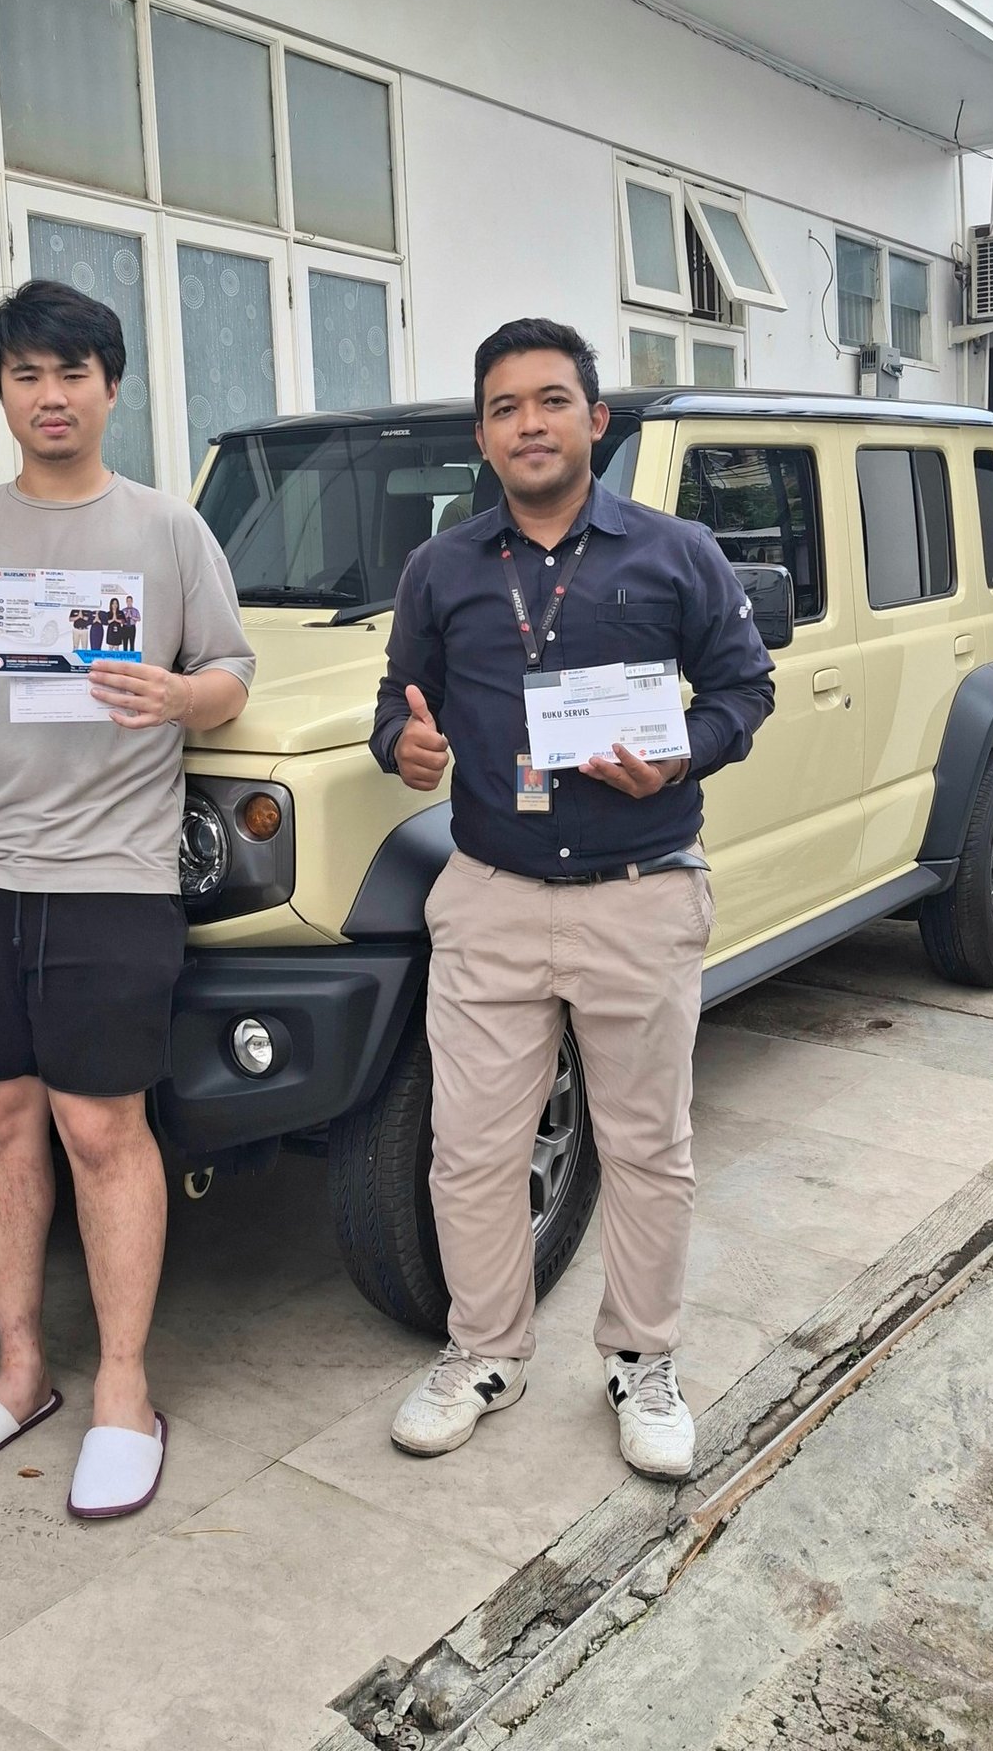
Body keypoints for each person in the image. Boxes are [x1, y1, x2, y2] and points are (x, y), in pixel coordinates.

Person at [0, 279, 253, 1519]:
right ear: (1, 392)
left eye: (72, 372)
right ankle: (20, 1371)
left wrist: (179, 697)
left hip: (110, 875)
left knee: (102, 1129)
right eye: (26, 375)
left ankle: (124, 1389)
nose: (50, 395)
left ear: (111, 386)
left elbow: (231, 672)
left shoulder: (168, 532)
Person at [372, 318, 774, 1477]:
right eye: (504, 408)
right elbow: (399, 703)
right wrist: (402, 745)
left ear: (595, 420)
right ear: (482, 436)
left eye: (551, 401)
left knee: (648, 1150)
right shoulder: (441, 567)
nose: (529, 424)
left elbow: (744, 689)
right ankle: (484, 1353)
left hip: (640, 894)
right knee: (470, 1152)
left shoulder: (677, 552)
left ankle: (642, 1362)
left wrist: (684, 755)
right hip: (492, 896)